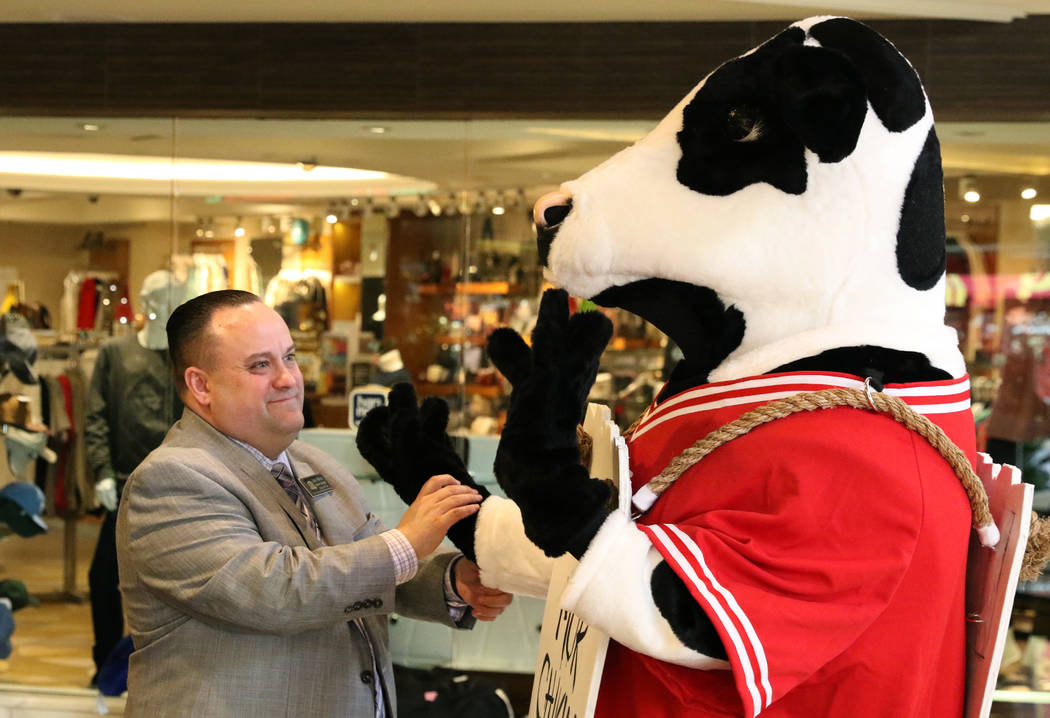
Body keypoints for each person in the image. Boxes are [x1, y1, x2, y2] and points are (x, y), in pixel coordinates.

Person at [115, 289, 511, 718]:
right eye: (260, 365)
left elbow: (367, 566)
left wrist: (452, 582)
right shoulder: (171, 479)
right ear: (200, 385)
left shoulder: (310, 462)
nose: (288, 378)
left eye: (289, 357)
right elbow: (273, 590)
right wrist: (406, 543)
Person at [84, 269, 185, 684]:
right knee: (104, 578)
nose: (157, 305)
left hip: (178, 487)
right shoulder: (114, 353)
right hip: (126, 484)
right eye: (151, 297)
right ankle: (106, 664)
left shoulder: (185, 358)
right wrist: (101, 472)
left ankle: (169, 668)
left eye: (166, 297)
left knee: (174, 582)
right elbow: (96, 417)